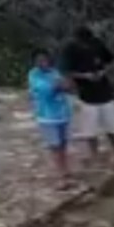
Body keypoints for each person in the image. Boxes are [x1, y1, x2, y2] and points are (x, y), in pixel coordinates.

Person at [60, 26, 114, 164]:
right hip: (85, 93)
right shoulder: (70, 49)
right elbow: (66, 71)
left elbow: (111, 62)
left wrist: (103, 72)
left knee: (112, 125)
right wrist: (84, 76)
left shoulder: (97, 43)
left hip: (104, 90)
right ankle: (94, 154)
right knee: (89, 128)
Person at [27, 50, 74, 184]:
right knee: (55, 146)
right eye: (39, 60)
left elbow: (67, 87)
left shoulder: (54, 72)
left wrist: (64, 85)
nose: (43, 62)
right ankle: (61, 175)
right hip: (47, 117)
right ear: (35, 62)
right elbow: (44, 90)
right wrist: (59, 86)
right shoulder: (33, 75)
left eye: (45, 59)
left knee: (63, 145)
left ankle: (65, 170)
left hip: (63, 114)